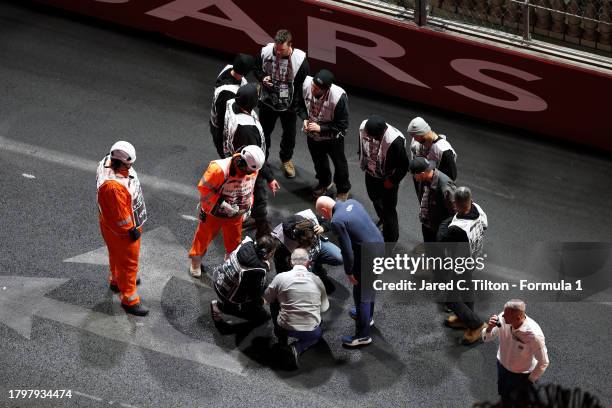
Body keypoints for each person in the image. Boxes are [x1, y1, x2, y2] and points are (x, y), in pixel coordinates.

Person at [316, 196, 384, 347]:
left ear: (324, 210)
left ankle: (363, 336)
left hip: (368, 256)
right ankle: (368, 317)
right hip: (380, 246)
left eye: (322, 214)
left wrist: (349, 271)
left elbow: (347, 252)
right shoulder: (353, 202)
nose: (324, 217)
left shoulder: (337, 221)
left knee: (360, 294)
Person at [188, 145, 265, 277]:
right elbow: (204, 190)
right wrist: (222, 205)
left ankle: (231, 263)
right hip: (214, 213)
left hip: (236, 214)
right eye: (247, 170)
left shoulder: (252, 169)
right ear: (241, 162)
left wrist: (247, 206)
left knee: (234, 241)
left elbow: (249, 188)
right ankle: (196, 262)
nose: (250, 173)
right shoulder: (218, 169)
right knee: (203, 238)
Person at [96, 141, 148, 316]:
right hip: (123, 231)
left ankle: (117, 280)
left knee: (115, 254)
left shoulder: (106, 162)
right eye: (129, 164)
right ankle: (130, 299)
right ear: (122, 163)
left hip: (109, 226)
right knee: (128, 264)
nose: (131, 166)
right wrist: (130, 229)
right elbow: (121, 216)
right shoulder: (114, 187)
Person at [221, 83, 280, 237]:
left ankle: (249, 218)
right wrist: (270, 177)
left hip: (234, 157)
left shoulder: (231, 103)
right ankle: (263, 234)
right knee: (259, 196)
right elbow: (256, 155)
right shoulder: (247, 128)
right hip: (249, 165)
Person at [254, 29, 310, 179]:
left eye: (282, 50)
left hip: (289, 105)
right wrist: (262, 78)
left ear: (290, 45)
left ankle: (286, 159)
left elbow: (302, 86)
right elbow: (256, 69)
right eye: (276, 49)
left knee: (289, 135)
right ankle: (262, 159)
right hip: (268, 101)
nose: (278, 53)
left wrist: (296, 107)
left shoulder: (300, 61)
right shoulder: (266, 52)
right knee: (264, 132)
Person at [437, 187, 488, 344]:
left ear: (456, 204)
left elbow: (441, 237)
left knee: (450, 298)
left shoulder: (458, 227)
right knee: (466, 286)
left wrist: (448, 221)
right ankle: (464, 318)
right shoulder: (479, 210)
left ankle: (476, 325)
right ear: (470, 200)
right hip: (474, 255)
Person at [264, 248, 329, 369]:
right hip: (311, 330)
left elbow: (267, 298)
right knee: (318, 332)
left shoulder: (280, 277)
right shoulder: (317, 280)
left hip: (285, 327)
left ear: (290, 262)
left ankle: (281, 337)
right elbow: (325, 308)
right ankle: (297, 347)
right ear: (308, 263)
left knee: (274, 300)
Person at [482, 299, 550, 407]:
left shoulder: (534, 335)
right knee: (503, 391)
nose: (502, 316)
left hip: (521, 374)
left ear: (518, 318)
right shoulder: (503, 319)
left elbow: (544, 362)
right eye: (503, 313)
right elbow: (486, 339)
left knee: (520, 401)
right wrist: (489, 328)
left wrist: (530, 380)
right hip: (502, 364)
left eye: (506, 315)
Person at [296, 69, 350, 201]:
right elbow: (299, 105)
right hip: (313, 134)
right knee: (319, 162)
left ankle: (343, 189)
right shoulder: (306, 85)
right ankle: (324, 183)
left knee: (339, 164)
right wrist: (304, 118)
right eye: (313, 86)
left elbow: (342, 125)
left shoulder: (338, 98)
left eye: (317, 89)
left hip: (333, 137)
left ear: (326, 89)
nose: (313, 90)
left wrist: (321, 128)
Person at [358, 115, 409, 242]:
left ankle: (391, 238)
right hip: (371, 173)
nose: (368, 137)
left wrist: (392, 181)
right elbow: (361, 144)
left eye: (372, 136)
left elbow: (404, 166)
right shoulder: (364, 128)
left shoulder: (395, 141)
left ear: (381, 133)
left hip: (387, 179)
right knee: (374, 198)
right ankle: (383, 219)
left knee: (389, 208)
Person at [210, 235, 278, 326]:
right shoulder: (257, 270)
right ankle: (218, 306)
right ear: (266, 254)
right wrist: (261, 301)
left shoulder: (246, 243)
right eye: (272, 252)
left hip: (218, 278)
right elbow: (254, 293)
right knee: (252, 306)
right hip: (225, 293)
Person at [271, 208, 343, 294]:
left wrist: (323, 227)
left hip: (319, 247)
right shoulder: (282, 243)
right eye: (305, 244)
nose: (308, 246)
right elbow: (281, 273)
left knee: (339, 257)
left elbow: (329, 222)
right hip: (302, 260)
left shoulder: (308, 217)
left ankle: (317, 267)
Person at [210, 53, 255, 157]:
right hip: (222, 130)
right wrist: (226, 142)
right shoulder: (228, 92)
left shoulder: (229, 68)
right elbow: (223, 120)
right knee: (229, 158)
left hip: (220, 122)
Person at [407, 117, 457, 201]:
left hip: (437, 192)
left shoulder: (444, 150)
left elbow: (451, 177)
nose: (414, 139)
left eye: (415, 136)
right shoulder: (416, 143)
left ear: (422, 133)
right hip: (422, 186)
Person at [409, 157, 457, 243]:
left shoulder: (445, 187)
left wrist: (445, 231)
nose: (413, 177)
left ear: (422, 173)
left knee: (438, 254)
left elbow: (455, 212)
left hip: (439, 229)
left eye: (414, 174)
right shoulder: (423, 180)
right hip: (428, 225)